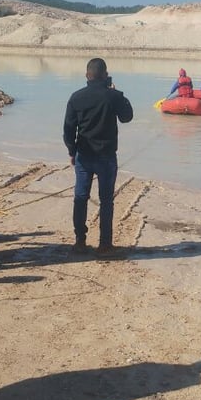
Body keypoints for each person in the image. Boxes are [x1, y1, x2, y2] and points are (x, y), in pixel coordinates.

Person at [63, 58, 133, 256]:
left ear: (87, 76)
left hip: (83, 155)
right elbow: (127, 116)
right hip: (106, 157)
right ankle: (104, 244)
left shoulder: (76, 97)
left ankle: (80, 241)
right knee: (106, 200)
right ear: (105, 75)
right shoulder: (113, 96)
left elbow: (68, 129)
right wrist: (117, 93)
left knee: (80, 197)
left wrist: (71, 151)